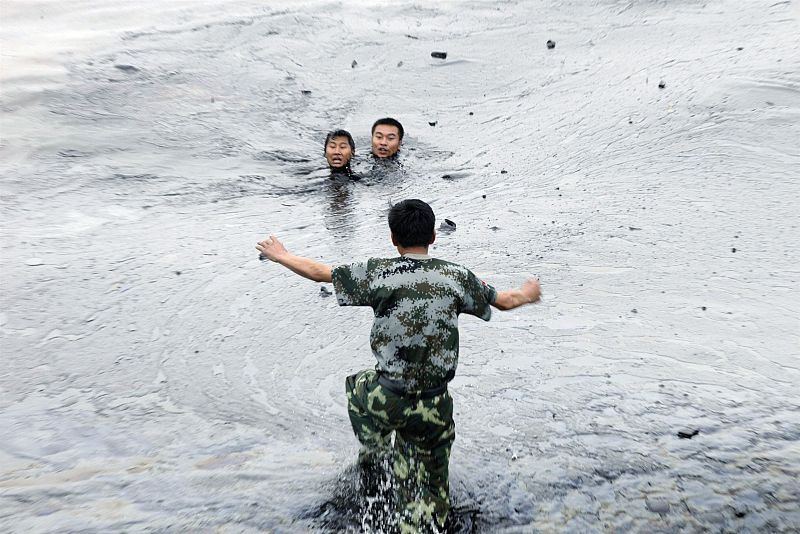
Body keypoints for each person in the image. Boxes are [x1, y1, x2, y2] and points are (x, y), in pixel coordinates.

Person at [255, 199, 541, 532]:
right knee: (428, 494)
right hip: (435, 406)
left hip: (386, 396)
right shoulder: (457, 276)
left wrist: (282, 256)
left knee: (357, 387)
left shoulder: (380, 273)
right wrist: (528, 293)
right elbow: (504, 301)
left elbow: (322, 273)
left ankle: (375, 457)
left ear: (393, 239)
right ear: (433, 236)